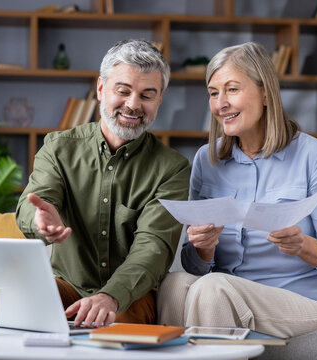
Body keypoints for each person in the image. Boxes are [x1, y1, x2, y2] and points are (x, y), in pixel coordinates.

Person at [157, 42, 317, 339]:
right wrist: (203, 248)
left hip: (306, 302)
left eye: (232, 90)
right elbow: (195, 266)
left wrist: (302, 245)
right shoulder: (206, 159)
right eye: (214, 93)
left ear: (265, 93)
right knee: (174, 285)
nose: (220, 103)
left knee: (214, 288)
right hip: (226, 295)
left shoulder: (310, 154)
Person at [16, 39, 190, 328]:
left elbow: (153, 247)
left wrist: (111, 296)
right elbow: (35, 202)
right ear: (100, 89)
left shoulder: (171, 168)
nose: (133, 105)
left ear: (160, 99)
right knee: (15, 304)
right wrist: (40, 222)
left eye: (147, 95)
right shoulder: (58, 148)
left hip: (130, 298)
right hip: (67, 287)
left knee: (115, 321)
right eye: (123, 91)